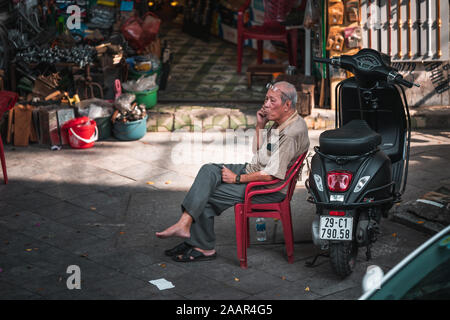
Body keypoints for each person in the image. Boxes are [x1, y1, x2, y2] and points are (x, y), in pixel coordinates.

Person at [156, 81, 310, 262]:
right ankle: (186, 226)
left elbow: (272, 174)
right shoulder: (282, 121)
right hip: (255, 170)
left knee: (207, 197)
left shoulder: (291, 133)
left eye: (272, 100)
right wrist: (261, 125)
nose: (266, 104)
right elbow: (259, 151)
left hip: (268, 187)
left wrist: (237, 178)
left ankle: (203, 247)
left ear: (287, 105)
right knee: (209, 170)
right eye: (266, 98)